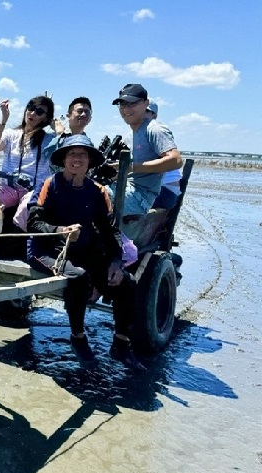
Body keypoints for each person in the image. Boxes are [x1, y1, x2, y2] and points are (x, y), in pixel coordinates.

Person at [26, 134, 145, 370]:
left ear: (90, 161)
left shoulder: (97, 191)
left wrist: (115, 261)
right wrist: (59, 230)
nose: (77, 159)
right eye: (72, 154)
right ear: (64, 159)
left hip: (83, 251)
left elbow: (110, 230)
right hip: (47, 250)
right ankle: (78, 337)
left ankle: (121, 344)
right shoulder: (50, 184)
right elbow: (33, 223)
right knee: (79, 277)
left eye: (82, 155)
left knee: (127, 283)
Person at [111, 84, 182, 243]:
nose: (126, 109)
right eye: (122, 104)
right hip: (126, 190)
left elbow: (176, 160)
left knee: (95, 198)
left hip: (140, 197)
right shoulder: (129, 135)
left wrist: (129, 168)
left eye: (132, 103)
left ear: (145, 103)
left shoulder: (154, 129)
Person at [0, 95, 56, 210]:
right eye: (31, 107)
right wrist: (3, 120)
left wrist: (58, 131)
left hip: (35, 189)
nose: (32, 113)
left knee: (26, 207)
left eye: (39, 112)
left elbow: (65, 154)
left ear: (46, 118)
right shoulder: (11, 134)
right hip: (8, 188)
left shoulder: (50, 139)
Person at [146, 102, 182, 210]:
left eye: (146, 111)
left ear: (154, 116)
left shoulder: (153, 132)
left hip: (164, 191)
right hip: (168, 192)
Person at [46, 96, 93, 173]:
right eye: (80, 111)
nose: (84, 114)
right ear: (68, 115)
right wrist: (60, 135)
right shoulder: (52, 137)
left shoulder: (88, 144)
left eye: (87, 112)